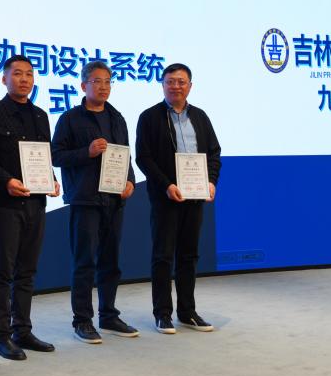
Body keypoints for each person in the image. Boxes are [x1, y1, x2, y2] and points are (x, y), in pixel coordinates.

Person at [51, 60, 138, 344]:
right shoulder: (70, 118)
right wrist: (86, 152)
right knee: (84, 261)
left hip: (114, 200)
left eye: (108, 82)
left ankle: (109, 315)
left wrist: (130, 180)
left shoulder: (117, 118)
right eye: (97, 81)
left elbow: (124, 154)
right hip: (85, 199)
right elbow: (56, 156)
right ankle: (83, 320)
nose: (103, 87)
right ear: (83, 85)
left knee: (111, 262)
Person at [0, 55, 59, 360]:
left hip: (36, 203)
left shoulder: (41, 115)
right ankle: (2, 336)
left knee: (27, 271)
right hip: (6, 204)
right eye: (17, 74)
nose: (24, 79)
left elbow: (42, 156)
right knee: (3, 272)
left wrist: (52, 179)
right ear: (4, 79)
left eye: (29, 74)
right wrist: (6, 181)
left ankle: (22, 330)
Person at [135, 63, 221, 335]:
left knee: (189, 255)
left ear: (190, 86)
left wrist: (211, 182)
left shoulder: (201, 117)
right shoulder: (149, 117)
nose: (176, 86)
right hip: (166, 197)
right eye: (170, 81)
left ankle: (187, 311)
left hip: (195, 197)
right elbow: (144, 158)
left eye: (181, 82)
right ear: (162, 85)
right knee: (163, 256)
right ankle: (162, 314)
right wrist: (166, 185)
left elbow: (214, 153)